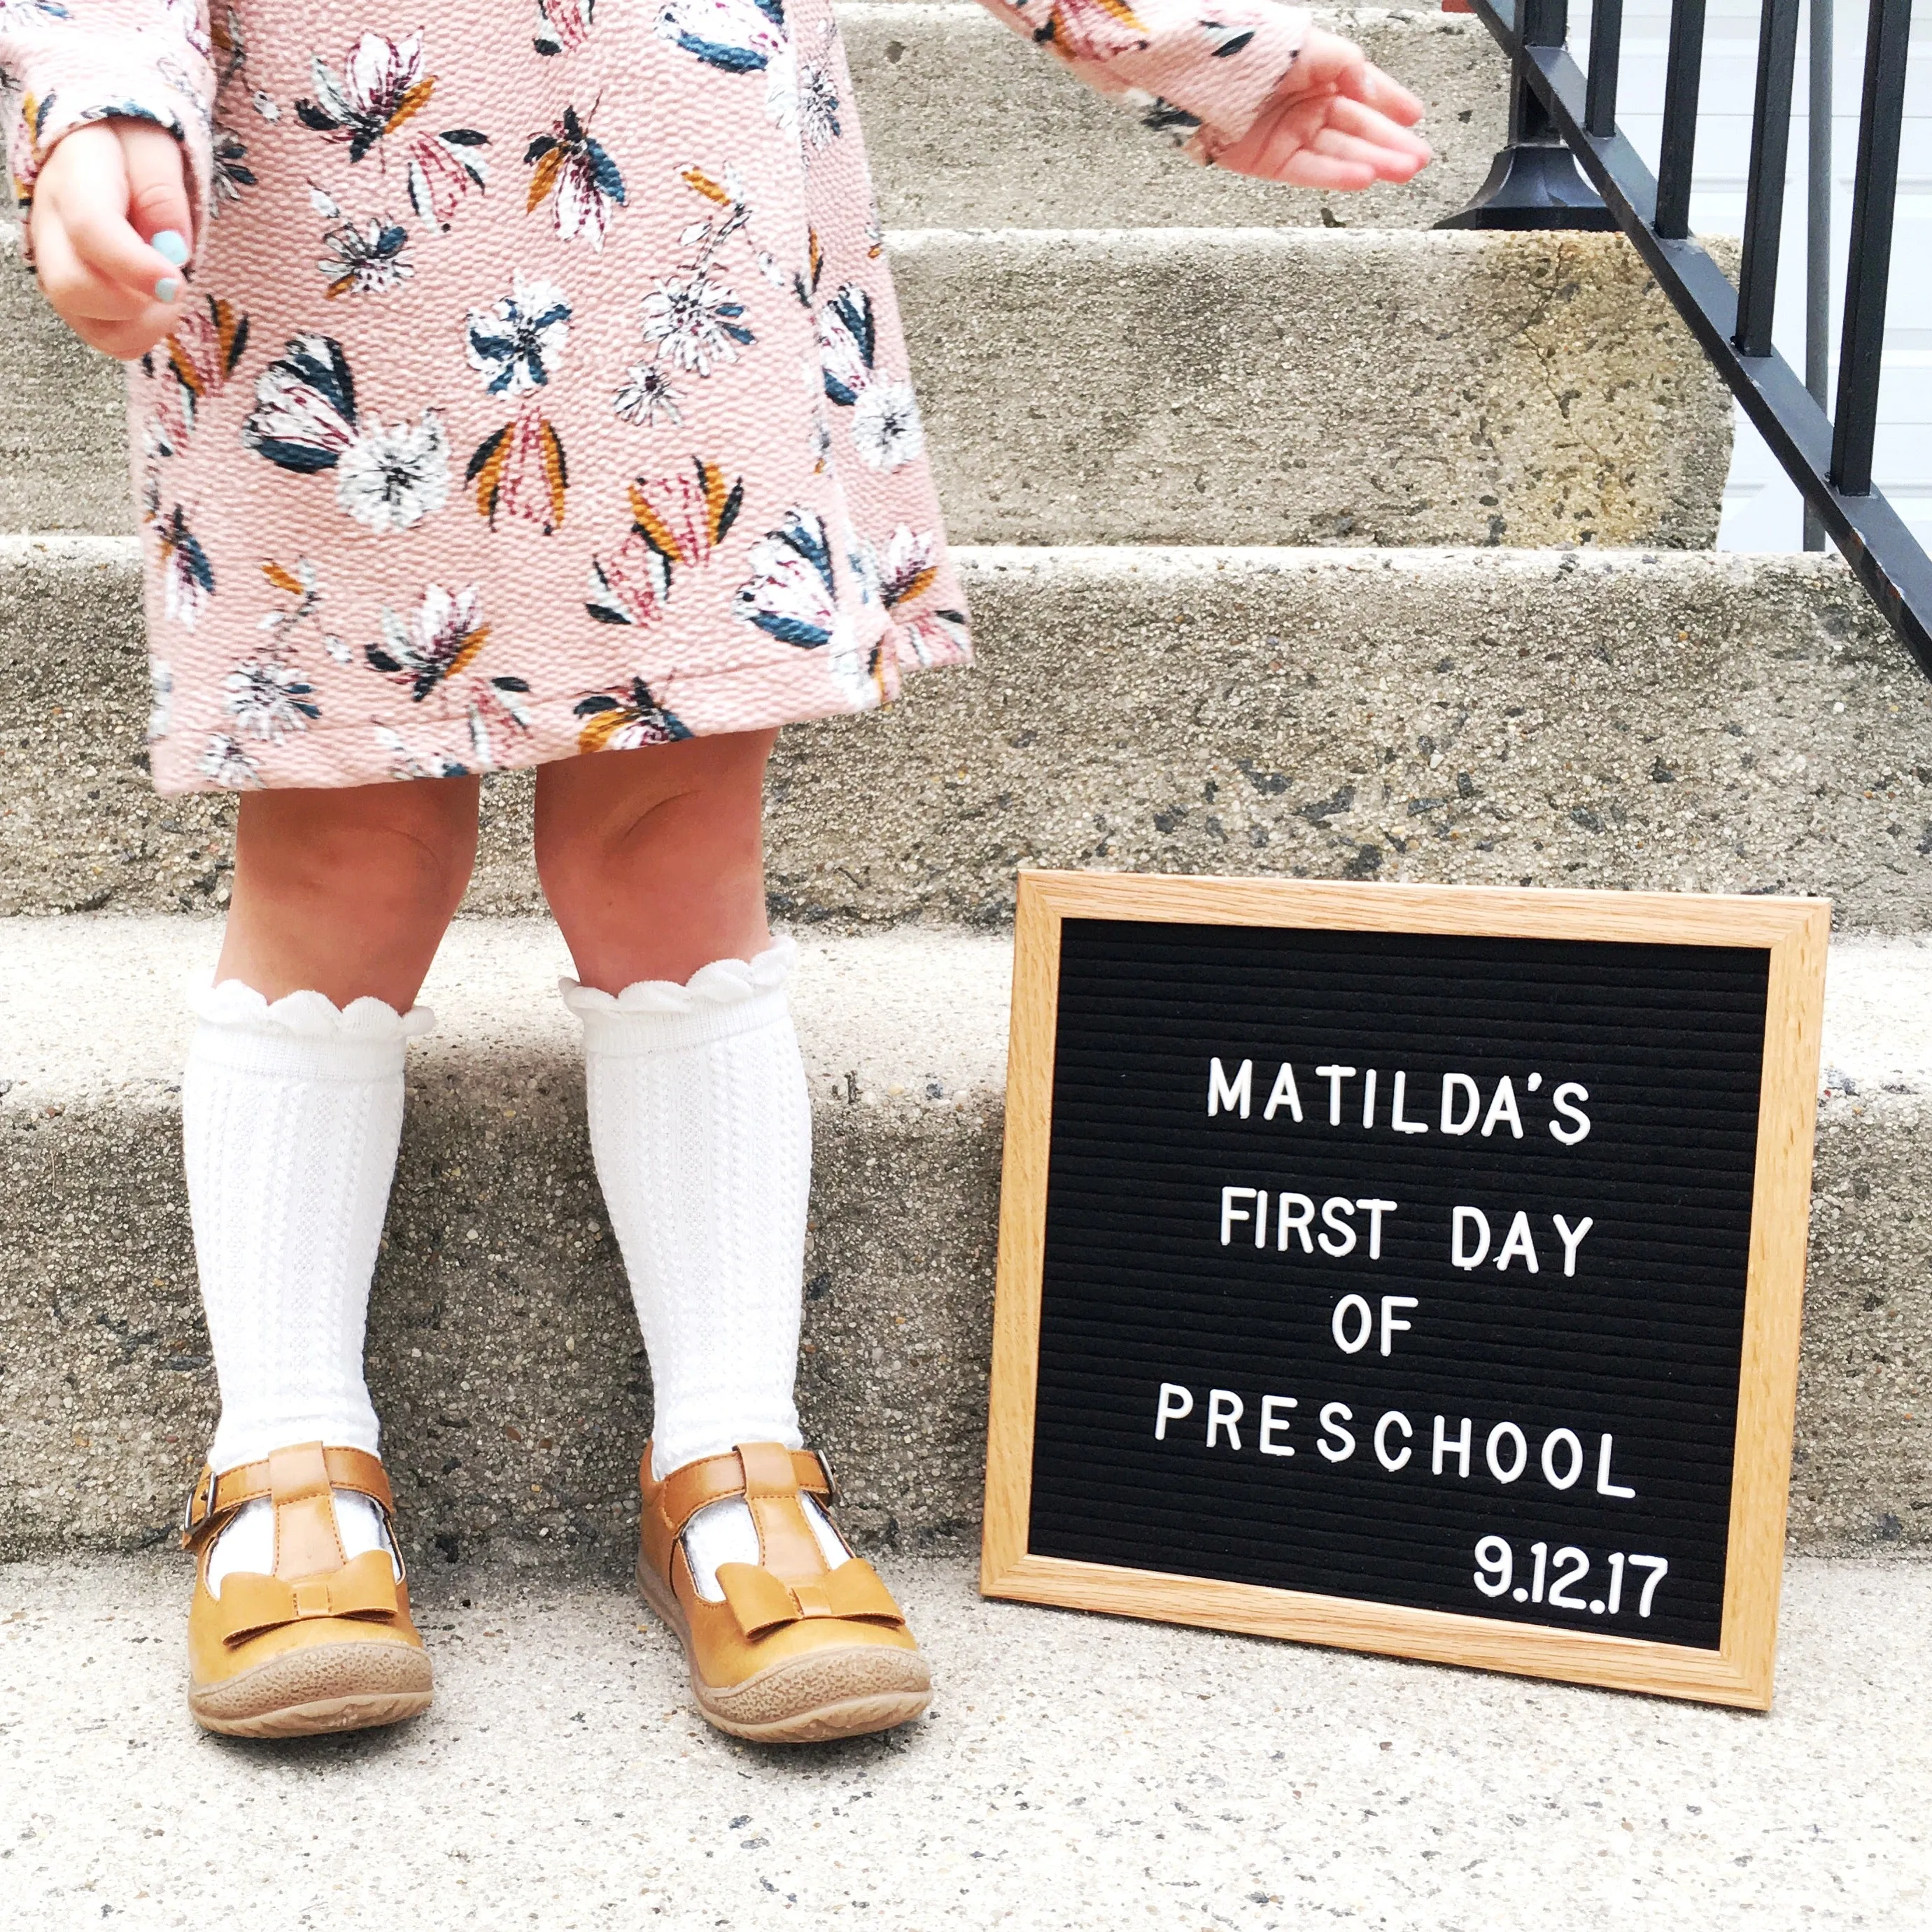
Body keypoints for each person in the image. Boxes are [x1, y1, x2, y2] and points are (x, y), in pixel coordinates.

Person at [1, 0, 1429, 1743]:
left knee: (677, 824)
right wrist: (95, 96)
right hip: (322, 189)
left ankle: (729, 1454)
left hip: (676, 202)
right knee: (345, 829)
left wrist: (1221, 53)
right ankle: (282, 1442)